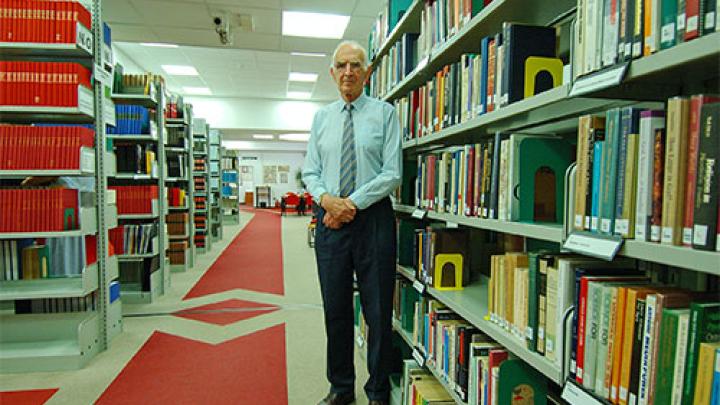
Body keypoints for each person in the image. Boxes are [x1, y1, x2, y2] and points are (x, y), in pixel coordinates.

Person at [302, 40, 402, 405]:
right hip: (330, 221)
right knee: (336, 309)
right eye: (341, 65)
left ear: (368, 72)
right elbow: (310, 171)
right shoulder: (321, 118)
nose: (348, 72)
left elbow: (392, 173)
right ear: (332, 73)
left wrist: (350, 204)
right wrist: (328, 201)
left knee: (376, 310)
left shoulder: (385, 114)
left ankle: (377, 391)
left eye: (356, 65)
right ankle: (341, 388)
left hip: (372, 218)